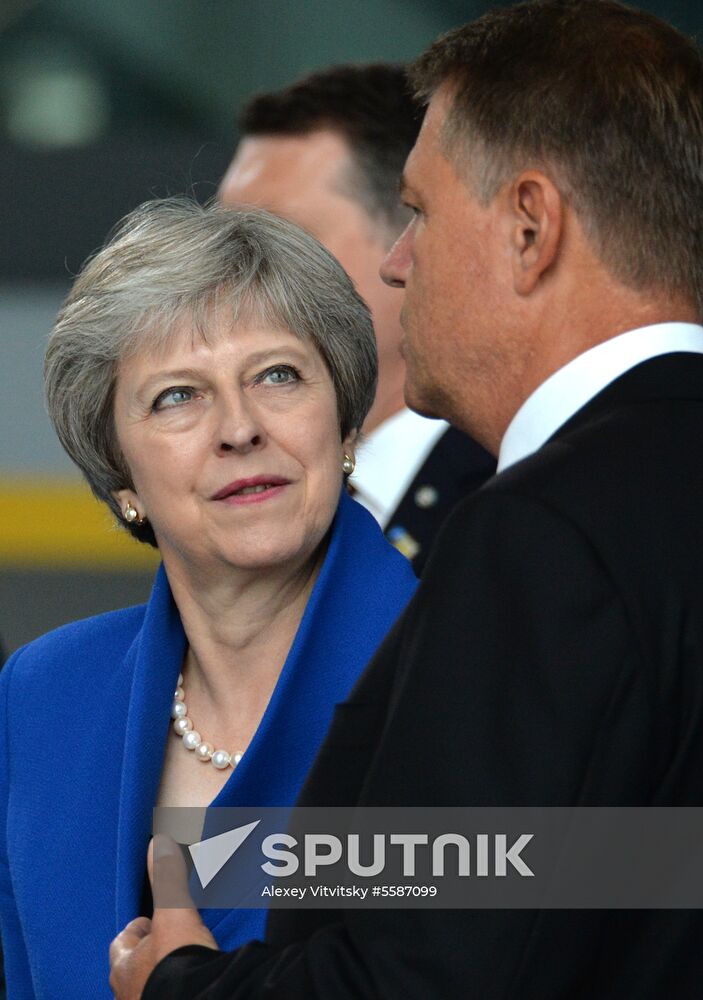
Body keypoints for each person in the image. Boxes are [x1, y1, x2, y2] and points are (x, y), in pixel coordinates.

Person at [112, 1, 703, 996]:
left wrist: (182, 980)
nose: (392, 260)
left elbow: (432, 970)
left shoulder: (540, 536)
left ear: (529, 228)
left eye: (417, 209)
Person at [0, 199, 417, 999]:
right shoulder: (42, 696)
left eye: (278, 375)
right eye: (176, 397)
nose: (238, 428)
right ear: (121, 482)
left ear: (346, 424)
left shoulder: (463, 666)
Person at [219, 63, 495, 574]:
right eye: (221, 248)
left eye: (279, 241)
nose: (224, 282)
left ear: (409, 236)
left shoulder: (517, 499)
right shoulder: (224, 501)